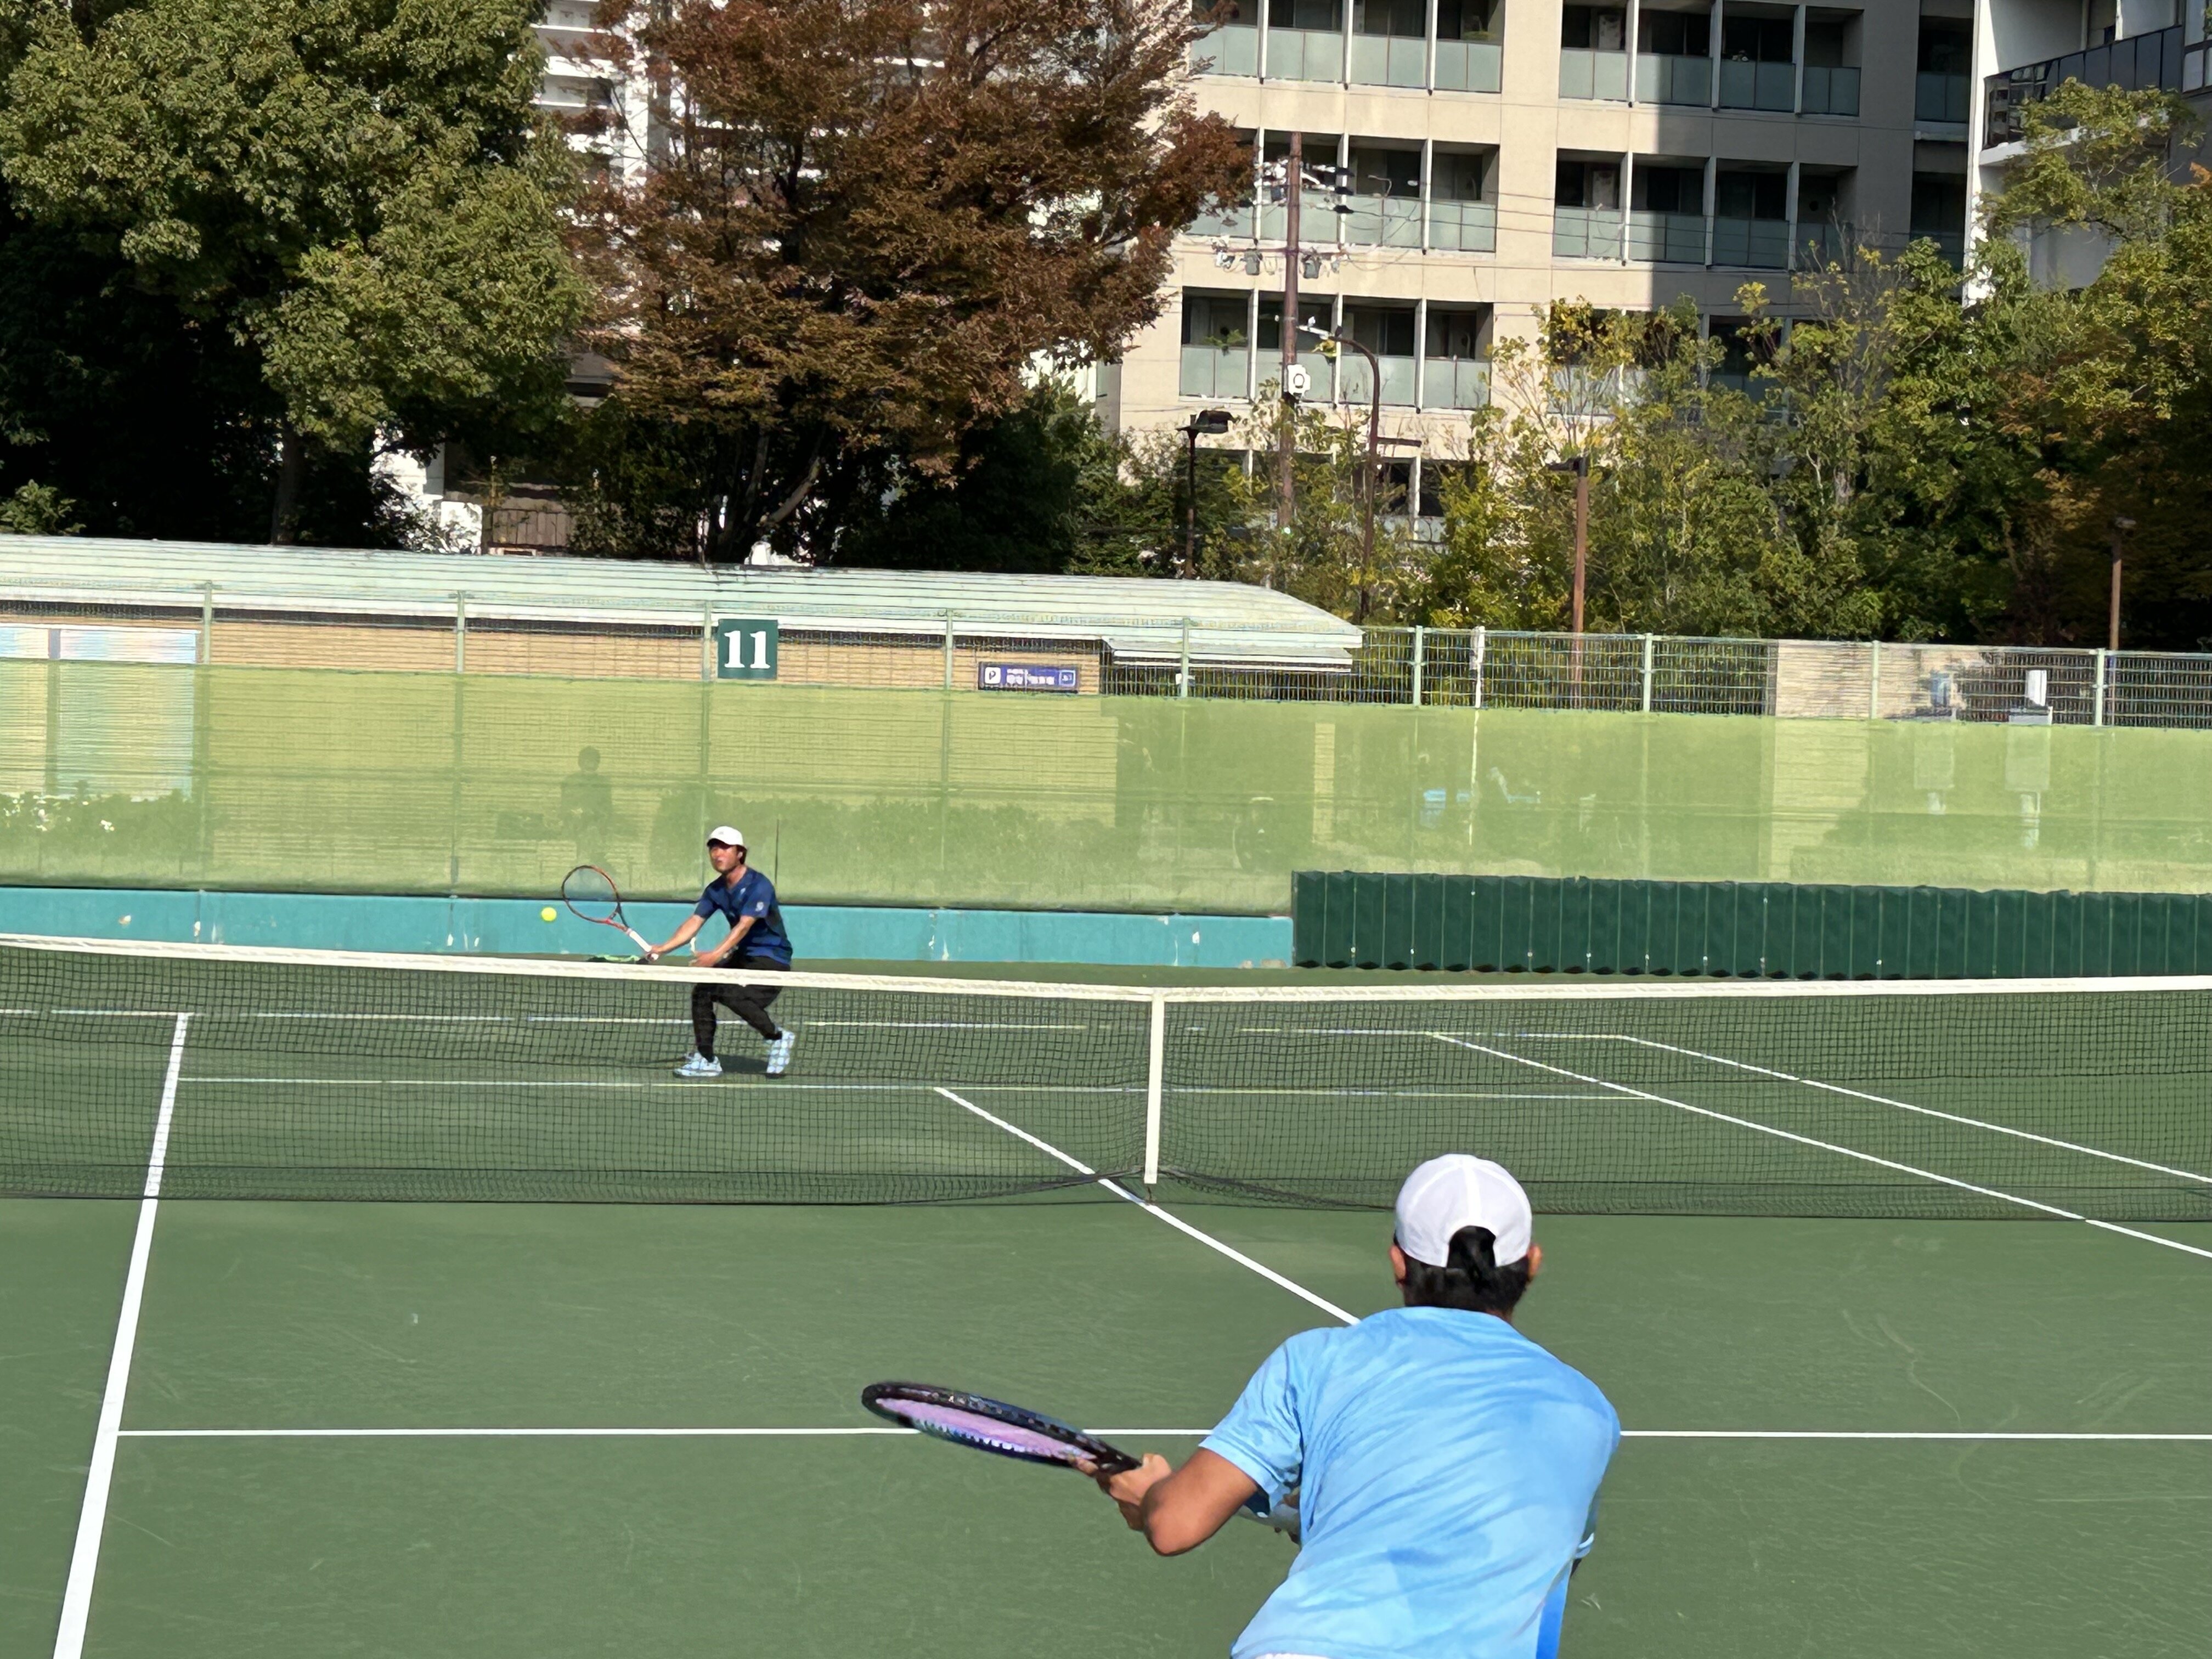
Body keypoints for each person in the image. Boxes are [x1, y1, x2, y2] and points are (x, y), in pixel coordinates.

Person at [1085, 1154, 1617, 1659]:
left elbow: (1176, 1522)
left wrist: (1152, 1492)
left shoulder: (1317, 1360)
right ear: (1534, 1264)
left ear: (1397, 1263)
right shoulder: (1592, 1414)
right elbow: (1537, 1572)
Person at [646, 826, 795, 1078]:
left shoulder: (759, 886)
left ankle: (778, 1037)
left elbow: (743, 926)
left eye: (725, 847)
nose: (718, 854)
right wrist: (663, 948)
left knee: (731, 994)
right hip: (742, 956)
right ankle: (707, 1060)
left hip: (772, 958)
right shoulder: (716, 890)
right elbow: (695, 922)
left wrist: (715, 956)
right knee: (703, 992)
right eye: (714, 848)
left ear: (740, 853)